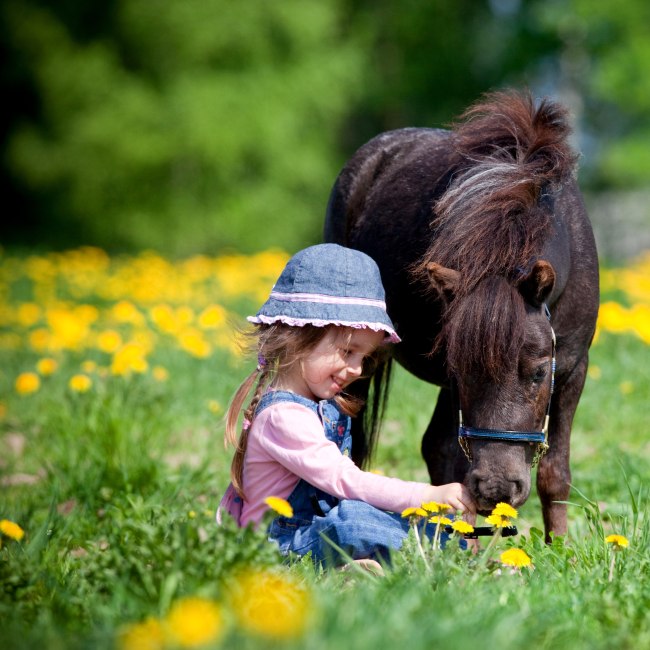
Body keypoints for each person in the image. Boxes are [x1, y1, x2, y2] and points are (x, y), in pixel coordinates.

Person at [218, 243, 476, 566]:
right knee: (352, 521)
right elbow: (346, 480)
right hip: (275, 548)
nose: (356, 369)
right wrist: (425, 496)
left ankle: (444, 545)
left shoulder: (318, 404)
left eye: (363, 357)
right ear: (300, 337)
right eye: (347, 351)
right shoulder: (282, 417)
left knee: (358, 516)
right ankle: (446, 551)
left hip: (311, 531)